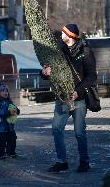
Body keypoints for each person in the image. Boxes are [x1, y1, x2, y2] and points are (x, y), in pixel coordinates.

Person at [42, 24, 97, 173]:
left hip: (78, 99)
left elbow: (92, 76)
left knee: (79, 132)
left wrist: (78, 91)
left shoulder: (85, 50)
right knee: (56, 129)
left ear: (71, 35)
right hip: (62, 98)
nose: (61, 34)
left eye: (64, 32)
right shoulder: (57, 49)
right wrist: (44, 72)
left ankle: (84, 161)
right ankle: (62, 161)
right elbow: (46, 69)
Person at [0, 83, 20, 160]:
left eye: (6, 90)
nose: (5, 92)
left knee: (12, 139)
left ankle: (11, 152)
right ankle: (0, 153)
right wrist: (8, 112)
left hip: (10, 126)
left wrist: (17, 110)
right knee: (2, 141)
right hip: (0, 127)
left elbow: (14, 108)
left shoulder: (9, 101)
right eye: (3, 91)